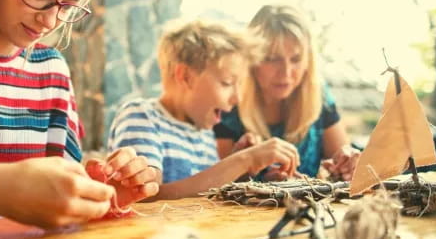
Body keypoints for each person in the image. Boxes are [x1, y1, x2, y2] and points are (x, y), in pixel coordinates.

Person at [0, 0, 158, 228]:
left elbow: (60, 209)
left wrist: (103, 193)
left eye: (68, 7)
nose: (51, 20)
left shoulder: (51, 71)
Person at [108, 19, 300, 200]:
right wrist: (244, 160)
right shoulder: (142, 117)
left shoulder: (204, 133)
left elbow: (205, 194)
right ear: (185, 76)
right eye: (227, 83)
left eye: (239, 84)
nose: (238, 98)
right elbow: (147, 198)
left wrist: (244, 170)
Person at [214, 5, 360, 181]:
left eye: (296, 59)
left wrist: (346, 166)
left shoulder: (319, 95)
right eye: (272, 59)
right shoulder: (228, 102)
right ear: (252, 59)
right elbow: (215, 186)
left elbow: (343, 169)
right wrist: (261, 185)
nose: (286, 72)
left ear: (308, 61)